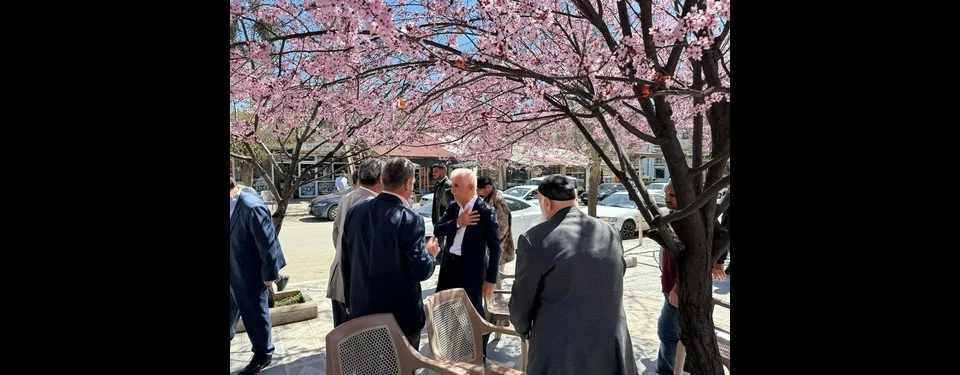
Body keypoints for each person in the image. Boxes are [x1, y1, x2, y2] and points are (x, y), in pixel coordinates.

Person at [509, 175, 638, 375]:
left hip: (560, 351)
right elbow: (616, 275)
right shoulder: (610, 232)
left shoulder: (534, 239)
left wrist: (523, 330)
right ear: (576, 199)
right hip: (610, 343)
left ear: (546, 202)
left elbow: (521, 303)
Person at [340, 157, 441, 349]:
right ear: (407, 183)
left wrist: (349, 300)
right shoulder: (410, 218)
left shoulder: (356, 211)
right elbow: (421, 271)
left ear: (383, 179)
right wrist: (431, 254)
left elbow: (347, 261)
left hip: (361, 310)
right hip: (399, 318)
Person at [433, 168, 501, 360]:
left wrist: (490, 279)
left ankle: (480, 356)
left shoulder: (485, 212)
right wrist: (457, 222)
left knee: (474, 316)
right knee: (443, 310)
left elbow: (496, 248)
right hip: (449, 267)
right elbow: (438, 228)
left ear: (470, 187)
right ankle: (451, 351)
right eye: (452, 185)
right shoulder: (454, 207)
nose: (452, 190)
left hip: (471, 272)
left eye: (456, 186)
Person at [230, 177, 287, 375]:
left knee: (254, 314)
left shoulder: (251, 207)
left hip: (249, 273)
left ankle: (263, 354)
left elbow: (268, 244)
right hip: (233, 268)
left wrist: (269, 275)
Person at [327, 159, 384, 327]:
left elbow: (336, 232)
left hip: (338, 278)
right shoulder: (374, 204)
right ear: (381, 178)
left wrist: (341, 252)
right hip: (358, 285)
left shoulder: (347, 198)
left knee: (342, 336)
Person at [476, 176, 515, 268]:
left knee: (495, 277)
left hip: (498, 246)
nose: (478, 193)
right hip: (491, 246)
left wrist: (492, 241)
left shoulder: (498, 199)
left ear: (488, 187)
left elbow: (503, 226)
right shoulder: (488, 197)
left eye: (479, 190)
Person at [430, 163, 455, 251]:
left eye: (436, 171)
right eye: (433, 171)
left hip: (444, 223)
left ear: (443, 172)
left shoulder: (448, 185)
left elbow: (450, 207)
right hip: (438, 222)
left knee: (441, 250)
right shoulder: (438, 184)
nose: (433, 174)